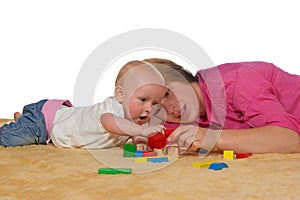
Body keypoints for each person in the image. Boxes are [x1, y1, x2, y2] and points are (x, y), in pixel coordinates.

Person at [144, 58, 300, 154]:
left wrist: (212, 138)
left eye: (167, 94)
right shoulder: (181, 115)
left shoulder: (235, 81)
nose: (169, 108)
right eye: (157, 107)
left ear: (182, 78)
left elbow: (289, 139)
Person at [0, 60, 167, 149]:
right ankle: (26, 121)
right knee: (9, 138)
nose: (149, 108)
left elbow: (131, 132)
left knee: (24, 133)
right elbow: (110, 123)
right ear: (120, 95)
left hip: (61, 119)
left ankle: (22, 120)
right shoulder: (113, 108)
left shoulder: (135, 121)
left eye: (155, 103)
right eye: (143, 100)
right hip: (45, 122)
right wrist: (143, 131)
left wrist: (140, 140)